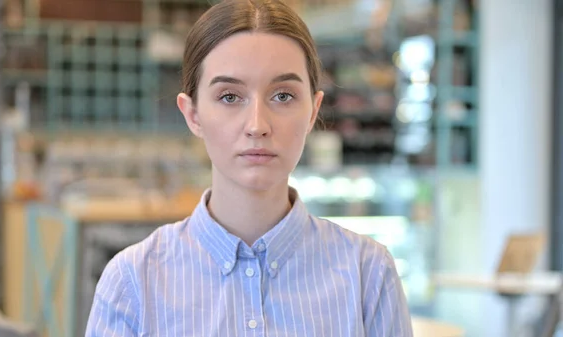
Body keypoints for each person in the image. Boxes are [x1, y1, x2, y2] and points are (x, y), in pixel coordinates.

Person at [85, 0, 413, 336]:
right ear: (193, 114)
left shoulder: (369, 275)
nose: (257, 125)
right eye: (229, 96)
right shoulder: (133, 282)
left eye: (283, 96)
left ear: (313, 111)